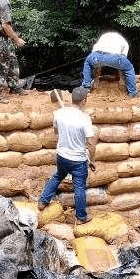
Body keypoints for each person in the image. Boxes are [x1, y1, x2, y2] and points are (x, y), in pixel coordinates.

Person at [37, 87, 97, 224]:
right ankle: (81, 217)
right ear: (84, 100)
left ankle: (42, 201)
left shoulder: (59, 113)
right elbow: (91, 144)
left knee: (58, 176)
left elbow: (56, 131)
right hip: (78, 161)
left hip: (62, 156)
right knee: (80, 188)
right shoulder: (85, 119)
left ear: (72, 99)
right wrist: (92, 160)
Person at [81, 31, 140, 97]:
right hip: (114, 56)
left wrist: (96, 80)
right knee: (129, 68)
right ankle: (133, 93)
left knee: (87, 63)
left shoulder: (102, 38)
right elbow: (122, 62)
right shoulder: (125, 43)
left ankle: (86, 88)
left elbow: (95, 63)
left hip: (97, 56)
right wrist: (122, 79)